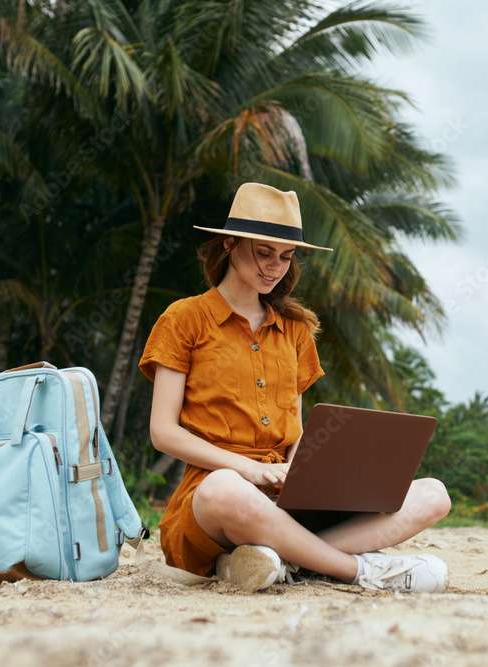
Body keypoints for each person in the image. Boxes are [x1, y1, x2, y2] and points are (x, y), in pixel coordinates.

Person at [138, 182, 451, 593]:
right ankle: (357, 570)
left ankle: (277, 561)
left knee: (434, 494)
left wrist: (306, 475)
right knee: (224, 488)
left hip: (287, 496)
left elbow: (296, 430)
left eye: (286, 257)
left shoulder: (296, 330)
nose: (275, 267)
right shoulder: (184, 318)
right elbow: (163, 432)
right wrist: (249, 469)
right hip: (216, 496)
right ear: (230, 244)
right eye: (264, 253)